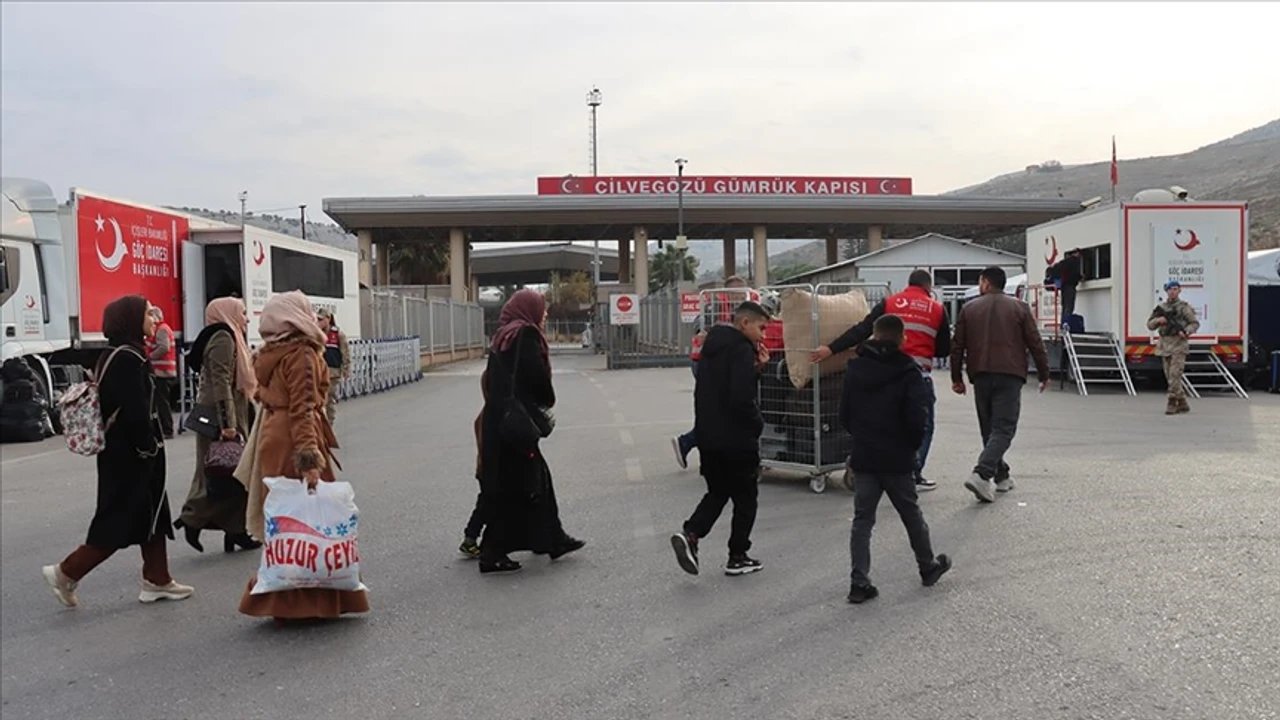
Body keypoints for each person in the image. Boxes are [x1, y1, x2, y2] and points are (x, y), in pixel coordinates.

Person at [42, 295, 194, 608]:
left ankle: (158, 579)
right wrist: (148, 447)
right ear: (131, 319)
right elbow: (136, 412)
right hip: (131, 456)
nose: (154, 319)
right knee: (119, 521)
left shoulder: (116, 354)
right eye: (148, 314)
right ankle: (66, 572)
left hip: (124, 453)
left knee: (152, 514)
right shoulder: (128, 359)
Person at [237, 291, 369, 620]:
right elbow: (304, 408)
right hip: (296, 439)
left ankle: (282, 595)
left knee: (285, 518)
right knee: (313, 520)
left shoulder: (269, 353)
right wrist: (309, 460)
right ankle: (310, 601)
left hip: (273, 435)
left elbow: (263, 394)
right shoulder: (302, 354)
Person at [840, 315, 952, 604]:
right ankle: (927, 566)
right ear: (902, 338)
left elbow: (845, 415)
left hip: (865, 455)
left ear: (874, 335)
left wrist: (861, 438)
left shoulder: (855, 368)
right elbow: (917, 419)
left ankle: (859, 581)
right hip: (897, 457)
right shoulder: (908, 371)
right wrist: (911, 448)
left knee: (862, 520)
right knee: (911, 514)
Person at [811, 269, 951, 491]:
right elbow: (944, 350)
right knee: (922, 426)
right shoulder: (937, 309)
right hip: (915, 376)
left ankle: (863, 463)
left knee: (878, 423)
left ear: (908, 284)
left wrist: (830, 349)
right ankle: (911, 474)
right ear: (929, 287)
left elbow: (862, 330)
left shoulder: (890, 302)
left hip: (879, 373)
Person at [476, 289, 585, 574]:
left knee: (530, 480)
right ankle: (493, 551)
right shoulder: (525, 335)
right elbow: (536, 377)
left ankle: (552, 539)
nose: (545, 314)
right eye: (542, 308)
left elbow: (490, 379)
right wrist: (546, 398)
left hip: (499, 421)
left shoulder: (503, 335)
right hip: (516, 424)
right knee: (522, 485)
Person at [670, 301, 770, 577]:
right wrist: (757, 423)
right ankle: (738, 555)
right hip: (736, 439)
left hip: (709, 436)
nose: (763, 335)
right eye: (761, 328)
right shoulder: (741, 349)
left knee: (719, 491)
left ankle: (691, 534)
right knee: (746, 498)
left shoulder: (712, 348)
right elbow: (741, 396)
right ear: (744, 323)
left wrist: (756, 369)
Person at [950, 266, 1051, 504]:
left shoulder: (969, 309)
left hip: (980, 374)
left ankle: (1001, 475)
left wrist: (956, 378)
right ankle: (982, 473)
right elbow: (1035, 342)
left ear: (986, 283)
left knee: (989, 429)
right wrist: (1044, 373)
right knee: (1004, 429)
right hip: (1010, 373)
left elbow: (957, 346)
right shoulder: (1019, 308)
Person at [175, 298, 261, 554]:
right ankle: (195, 519)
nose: (246, 318)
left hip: (230, 411)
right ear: (228, 313)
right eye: (242, 312)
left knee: (230, 475)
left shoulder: (228, 336)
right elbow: (220, 382)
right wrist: (228, 424)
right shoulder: (223, 338)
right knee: (225, 474)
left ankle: (235, 530)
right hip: (221, 416)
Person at [673, 276, 761, 470]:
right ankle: (688, 442)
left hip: (713, 361)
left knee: (717, 410)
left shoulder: (736, 309)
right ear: (730, 292)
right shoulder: (716, 307)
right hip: (707, 362)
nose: (742, 297)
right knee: (719, 410)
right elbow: (700, 327)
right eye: (739, 293)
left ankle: (692, 444)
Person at [1147, 280, 1200, 415]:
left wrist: (1186, 331)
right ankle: (1182, 402)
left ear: (1179, 290)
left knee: (1174, 375)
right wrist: (1159, 320)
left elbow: (1194, 323)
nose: (1172, 292)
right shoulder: (1161, 308)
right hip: (1164, 345)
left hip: (1178, 344)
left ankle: (1172, 402)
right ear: (1166, 291)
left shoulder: (1184, 307)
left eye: (1175, 289)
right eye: (1170, 289)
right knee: (1168, 376)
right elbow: (1150, 325)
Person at [145, 306, 177, 438]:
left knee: (162, 402)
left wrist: (149, 357)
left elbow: (164, 347)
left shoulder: (161, 329)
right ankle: (165, 429)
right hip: (163, 371)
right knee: (160, 401)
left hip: (162, 372)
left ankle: (167, 430)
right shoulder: (162, 328)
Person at [316, 308, 350, 424]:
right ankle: (320, 424)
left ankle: (329, 424)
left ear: (328, 319)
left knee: (329, 399)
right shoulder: (317, 335)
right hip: (319, 372)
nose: (319, 322)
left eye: (321, 319)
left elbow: (345, 353)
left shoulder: (338, 334)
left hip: (333, 372)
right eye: (318, 319)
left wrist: (346, 369)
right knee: (319, 399)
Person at [1053, 249, 1086, 320]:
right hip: (1070, 286)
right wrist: (1080, 277)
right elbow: (1074, 274)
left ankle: (1063, 323)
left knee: (1064, 306)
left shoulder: (1064, 262)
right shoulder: (1074, 261)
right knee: (1069, 306)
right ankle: (1067, 323)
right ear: (1077, 253)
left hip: (1063, 287)